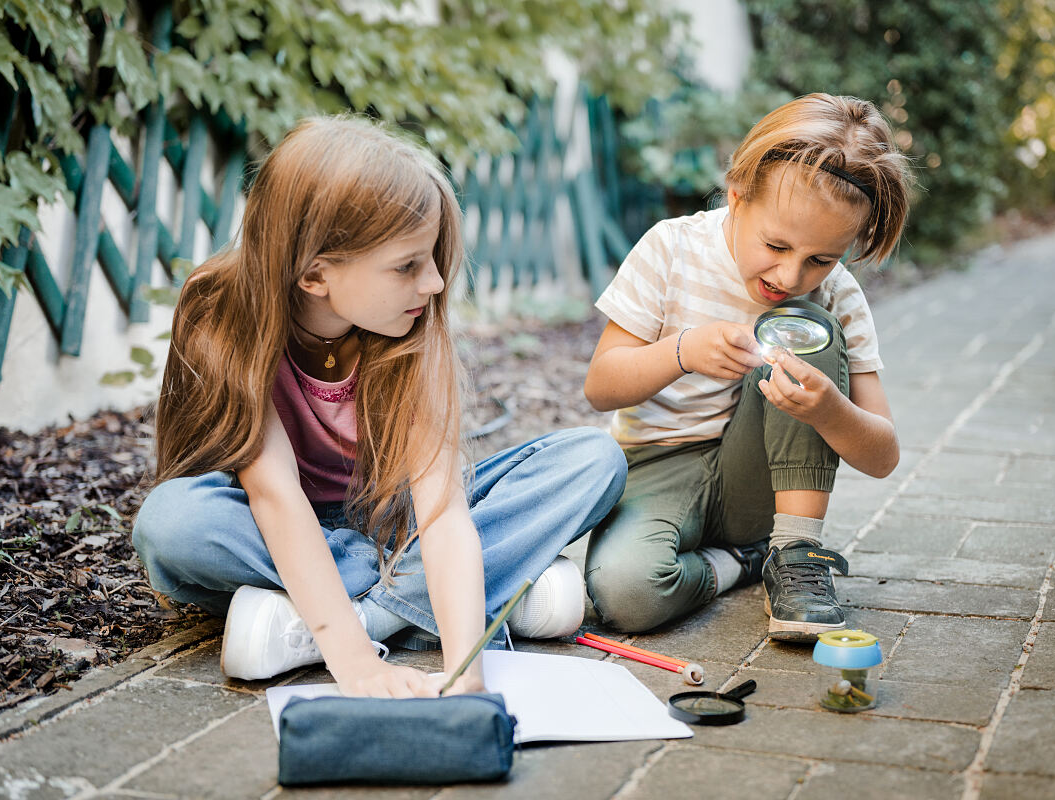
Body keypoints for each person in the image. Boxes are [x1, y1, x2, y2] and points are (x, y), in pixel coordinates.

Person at [132, 116, 626, 698]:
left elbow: (440, 513)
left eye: (433, 260)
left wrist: (465, 670)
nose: (436, 283)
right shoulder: (220, 308)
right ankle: (473, 594)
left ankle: (343, 617)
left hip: (395, 521)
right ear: (315, 273)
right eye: (407, 266)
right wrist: (360, 668)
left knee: (594, 458)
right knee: (172, 524)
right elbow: (275, 497)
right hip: (267, 526)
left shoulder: (408, 323)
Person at [582, 93, 912, 641]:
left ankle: (794, 551)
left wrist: (831, 410)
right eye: (776, 245)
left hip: (758, 481)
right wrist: (682, 351)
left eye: (821, 259)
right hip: (655, 466)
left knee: (812, 330)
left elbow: (883, 456)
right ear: (737, 199)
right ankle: (741, 561)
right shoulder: (671, 250)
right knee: (626, 593)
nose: (789, 275)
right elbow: (601, 386)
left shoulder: (836, 297)